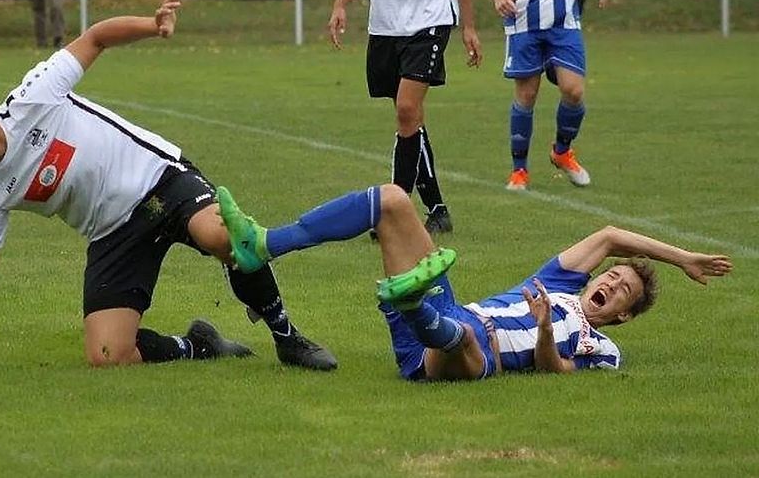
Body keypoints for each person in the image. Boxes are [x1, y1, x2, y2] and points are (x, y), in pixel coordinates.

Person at [0, 0, 338, 372]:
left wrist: (153, 24)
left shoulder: (33, 97)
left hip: (160, 182)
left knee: (222, 235)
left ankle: (288, 338)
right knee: (107, 355)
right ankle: (199, 344)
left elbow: (96, 37)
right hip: (113, 232)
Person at [215, 184, 733, 381]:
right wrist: (683, 257)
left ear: (622, 314)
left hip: (468, 357)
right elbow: (612, 234)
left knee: (465, 336)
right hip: (458, 315)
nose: (613, 283)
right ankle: (263, 244)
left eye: (622, 292)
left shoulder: (602, 346)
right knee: (394, 200)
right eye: (612, 274)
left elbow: (558, 371)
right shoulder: (557, 283)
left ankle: (415, 303)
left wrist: (546, 332)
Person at [327, 0, 483, 235]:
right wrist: (340, 4)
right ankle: (437, 209)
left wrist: (469, 26)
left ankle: (394, 212)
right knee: (410, 119)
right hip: (385, 25)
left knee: (406, 108)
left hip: (430, 20)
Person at [482, 0, 611, 191]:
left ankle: (562, 151)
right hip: (522, 18)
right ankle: (519, 170)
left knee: (573, 90)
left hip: (564, 20)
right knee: (527, 94)